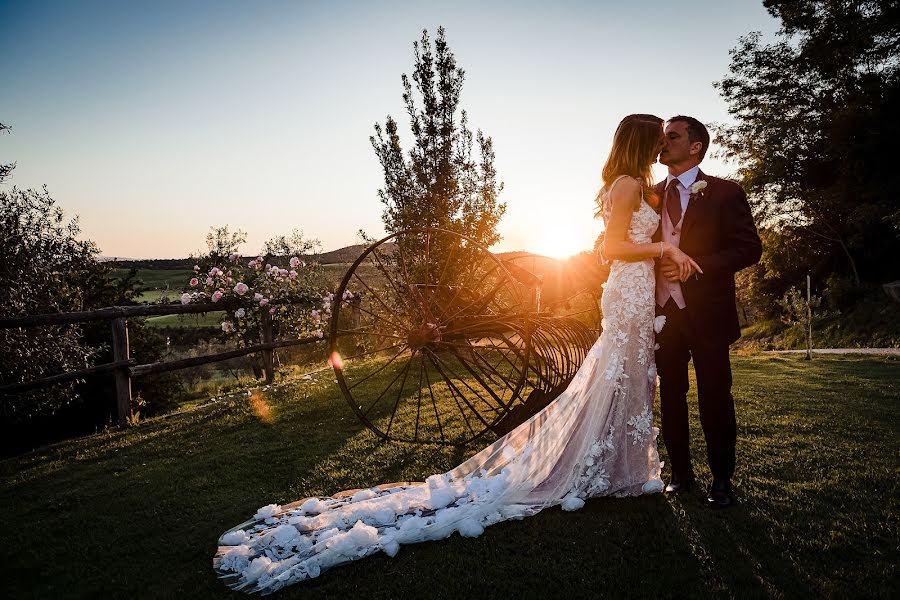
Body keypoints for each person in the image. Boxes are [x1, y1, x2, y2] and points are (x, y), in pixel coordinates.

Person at [213, 114, 691, 593]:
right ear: (640, 142)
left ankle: (621, 465)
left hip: (633, 291)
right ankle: (610, 467)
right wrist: (663, 252)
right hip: (628, 291)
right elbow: (611, 247)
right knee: (619, 373)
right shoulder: (628, 184)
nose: (660, 147)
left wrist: (657, 251)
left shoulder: (631, 184)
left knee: (628, 375)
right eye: (656, 139)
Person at [654, 116, 762, 508]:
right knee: (671, 396)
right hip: (662, 314)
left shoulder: (724, 192)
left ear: (695, 146)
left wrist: (695, 263)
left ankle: (722, 481)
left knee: (716, 396)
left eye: (672, 136)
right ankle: (681, 475)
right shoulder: (648, 196)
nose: (662, 142)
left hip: (709, 313)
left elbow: (749, 249)